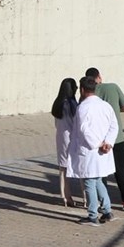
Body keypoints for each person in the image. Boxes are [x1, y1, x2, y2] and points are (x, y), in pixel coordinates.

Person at [87, 67, 124, 210]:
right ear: (99, 77)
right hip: (117, 138)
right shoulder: (112, 87)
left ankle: (101, 201)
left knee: (100, 173)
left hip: (98, 140)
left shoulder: (88, 94)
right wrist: (115, 109)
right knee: (120, 170)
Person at [69, 75, 118, 225]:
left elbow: (84, 130)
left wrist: (99, 143)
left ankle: (92, 215)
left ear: (82, 90)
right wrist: (108, 143)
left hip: (90, 150)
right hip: (103, 151)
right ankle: (107, 210)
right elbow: (114, 126)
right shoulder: (105, 105)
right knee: (97, 180)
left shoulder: (83, 107)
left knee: (89, 182)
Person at [51, 77, 80, 208]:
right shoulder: (73, 104)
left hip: (61, 137)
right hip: (73, 137)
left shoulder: (57, 103)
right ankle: (85, 197)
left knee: (63, 169)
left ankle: (64, 196)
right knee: (80, 167)